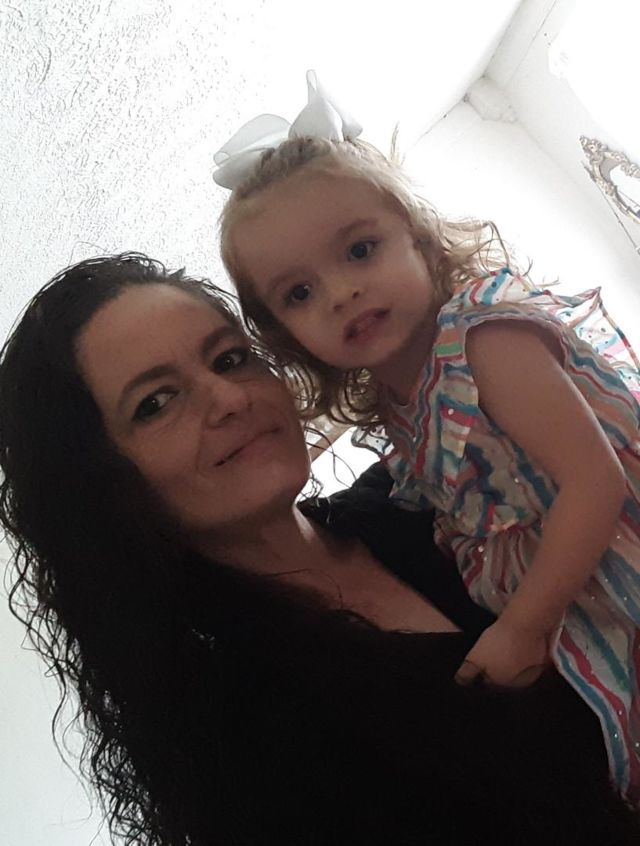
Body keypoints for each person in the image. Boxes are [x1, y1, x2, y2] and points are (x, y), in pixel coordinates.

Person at [1, 253, 639, 846]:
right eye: (156, 403)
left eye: (230, 358)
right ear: (101, 487)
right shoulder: (234, 730)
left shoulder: (423, 497)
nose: (231, 399)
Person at [215, 72, 640, 801]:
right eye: (300, 293)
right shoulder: (399, 402)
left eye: (359, 250)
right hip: (578, 589)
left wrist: (523, 627)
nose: (342, 292)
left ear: (418, 236)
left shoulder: (481, 340)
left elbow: (595, 482)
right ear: (283, 333)